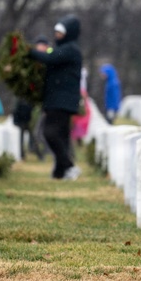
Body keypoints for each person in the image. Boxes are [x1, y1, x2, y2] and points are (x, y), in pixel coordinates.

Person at [29, 16, 83, 180]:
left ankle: (69, 166)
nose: (57, 35)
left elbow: (49, 58)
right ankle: (60, 172)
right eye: (56, 32)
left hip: (61, 101)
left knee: (50, 132)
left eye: (60, 32)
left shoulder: (70, 49)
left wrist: (29, 51)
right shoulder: (64, 49)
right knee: (61, 135)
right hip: (58, 100)